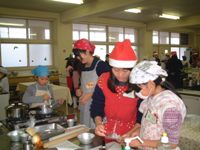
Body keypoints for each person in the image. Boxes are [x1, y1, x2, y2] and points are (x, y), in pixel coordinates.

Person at [90, 39, 142, 142]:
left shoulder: (139, 82)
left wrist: (136, 129)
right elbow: (97, 105)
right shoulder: (104, 79)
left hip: (131, 131)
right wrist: (98, 123)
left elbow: (142, 110)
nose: (120, 75)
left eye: (125, 71)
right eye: (116, 70)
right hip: (107, 130)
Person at [129, 61, 186, 150]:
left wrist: (141, 142)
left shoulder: (170, 107)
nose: (136, 92)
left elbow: (172, 143)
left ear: (151, 84)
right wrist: (139, 132)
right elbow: (153, 122)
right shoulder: (150, 98)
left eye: (138, 88)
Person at [72, 38, 110, 128]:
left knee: (95, 128)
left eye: (79, 55)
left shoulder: (101, 66)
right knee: (85, 127)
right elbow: (85, 83)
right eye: (76, 56)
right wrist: (80, 90)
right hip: (85, 104)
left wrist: (92, 94)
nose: (78, 58)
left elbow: (109, 86)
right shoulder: (81, 65)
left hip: (97, 104)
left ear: (88, 51)